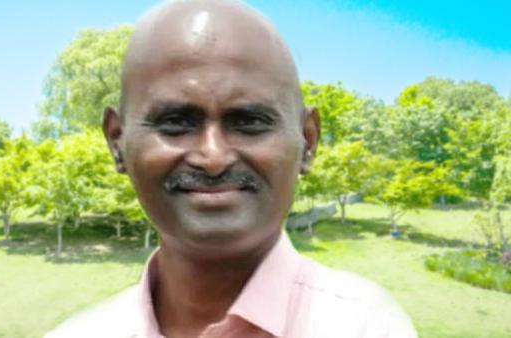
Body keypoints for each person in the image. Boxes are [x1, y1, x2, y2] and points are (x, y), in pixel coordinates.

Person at [46, 0, 417, 337]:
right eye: (175, 121)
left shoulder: (369, 327)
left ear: (307, 141)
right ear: (117, 141)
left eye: (250, 122)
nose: (213, 157)